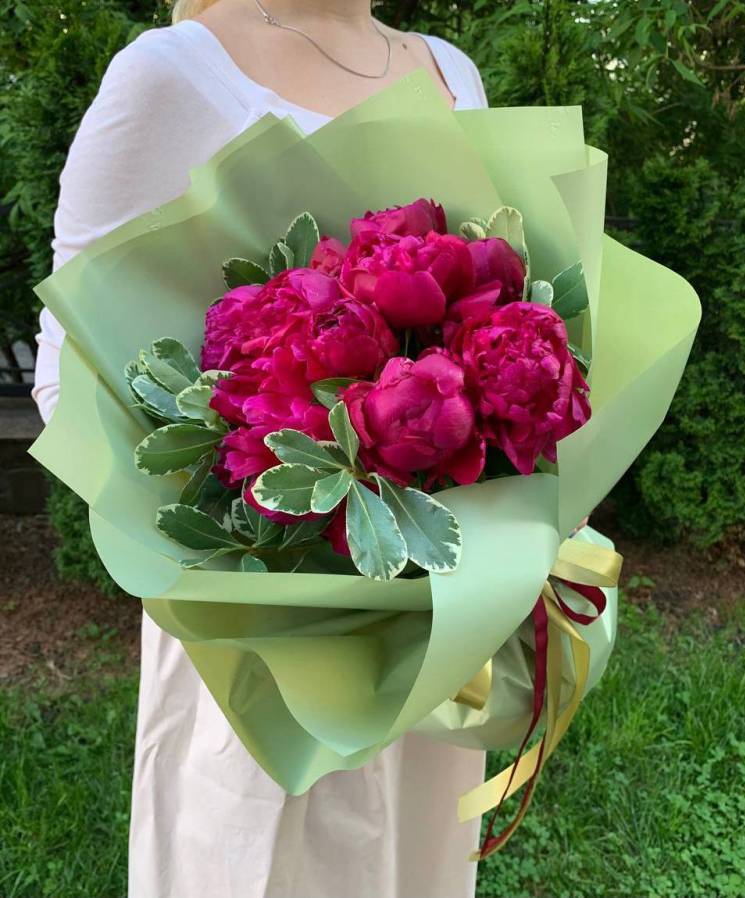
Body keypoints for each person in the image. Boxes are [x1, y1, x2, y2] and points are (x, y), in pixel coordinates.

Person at [32, 2, 489, 895]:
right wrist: (269, 518)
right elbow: (70, 372)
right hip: (257, 628)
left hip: (433, 614)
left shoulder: (452, 71)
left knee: (416, 860)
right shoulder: (172, 73)